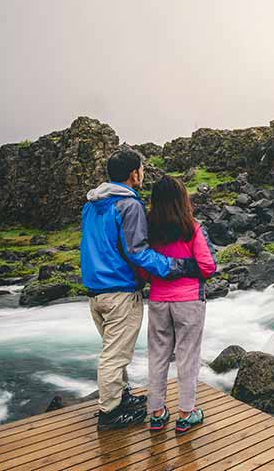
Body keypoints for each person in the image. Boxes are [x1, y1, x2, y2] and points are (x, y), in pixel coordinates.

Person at [80, 149, 200, 430]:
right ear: (134, 174)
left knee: (113, 348)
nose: (143, 174)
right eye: (142, 169)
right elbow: (138, 252)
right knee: (115, 355)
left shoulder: (91, 205)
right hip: (119, 290)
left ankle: (121, 397)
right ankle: (110, 413)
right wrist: (177, 266)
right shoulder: (129, 205)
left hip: (95, 291)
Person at [143, 176, 216, 433]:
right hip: (188, 301)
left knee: (158, 355)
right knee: (188, 356)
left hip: (158, 301)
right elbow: (208, 266)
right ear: (182, 199)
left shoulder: (148, 230)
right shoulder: (191, 227)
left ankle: (157, 412)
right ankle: (186, 414)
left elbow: (143, 266)